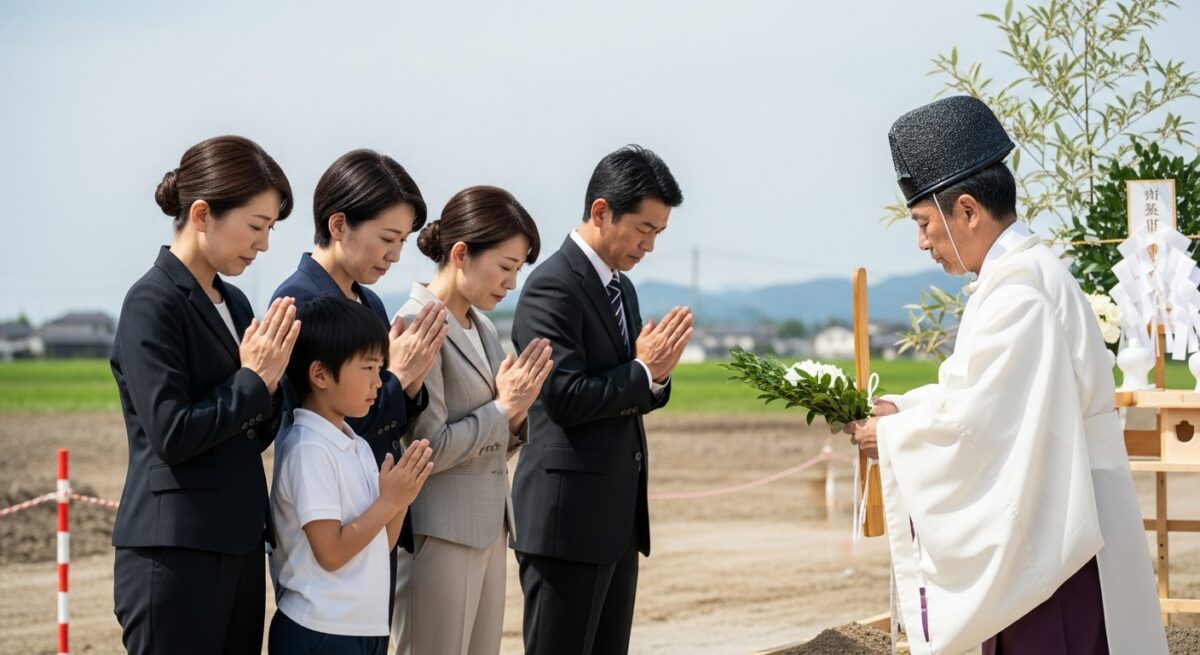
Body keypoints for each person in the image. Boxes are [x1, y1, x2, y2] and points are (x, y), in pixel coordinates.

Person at [847, 95, 1166, 654]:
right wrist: (903, 412)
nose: (922, 242)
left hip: (1059, 533)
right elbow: (975, 393)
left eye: (924, 224)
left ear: (968, 210)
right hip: (1057, 510)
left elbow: (983, 422)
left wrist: (892, 440)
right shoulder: (1023, 276)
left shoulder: (1019, 292)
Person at [110, 135, 298, 654]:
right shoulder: (151, 302)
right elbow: (172, 432)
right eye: (256, 227)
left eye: (270, 230)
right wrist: (253, 381)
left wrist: (272, 386)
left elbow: (247, 430)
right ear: (201, 213)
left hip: (238, 545)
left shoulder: (234, 302)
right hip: (173, 552)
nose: (262, 245)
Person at [510, 145, 694, 654]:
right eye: (644, 229)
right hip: (566, 525)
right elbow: (565, 398)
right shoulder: (552, 287)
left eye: (658, 233)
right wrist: (641, 370)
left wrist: (654, 377)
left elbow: (630, 387)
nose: (649, 246)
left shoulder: (622, 288)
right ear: (601, 211)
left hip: (614, 521)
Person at [270, 149, 447, 652]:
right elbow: (318, 416)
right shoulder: (298, 304)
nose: (394, 256)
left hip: (372, 518)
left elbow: (382, 407)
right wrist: (398, 378)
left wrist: (406, 385)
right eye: (387, 239)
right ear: (340, 224)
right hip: (331, 541)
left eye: (403, 242)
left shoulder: (366, 301)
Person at [396, 185, 552, 655]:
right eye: (505, 267)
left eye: (517, 271)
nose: (511, 283)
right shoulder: (416, 323)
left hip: (487, 524)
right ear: (461, 253)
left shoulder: (480, 326)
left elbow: (494, 429)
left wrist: (516, 413)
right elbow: (428, 447)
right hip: (440, 528)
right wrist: (504, 410)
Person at [269, 295, 434, 655]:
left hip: (362, 625)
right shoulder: (309, 448)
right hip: (320, 629)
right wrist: (389, 500)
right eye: (369, 368)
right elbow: (331, 552)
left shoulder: (355, 442)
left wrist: (401, 500)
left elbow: (380, 544)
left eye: (380, 369)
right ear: (320, 374)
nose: (380, 382)